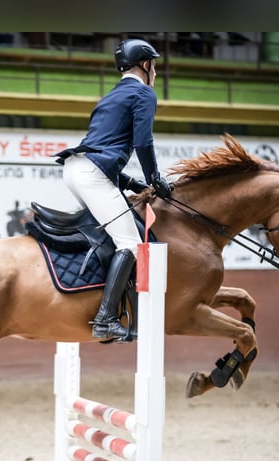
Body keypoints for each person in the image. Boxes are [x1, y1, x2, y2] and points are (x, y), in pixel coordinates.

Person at [55, 37, 173, 342]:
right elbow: (142, 143)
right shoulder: (143, 93)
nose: (156, 72)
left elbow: (101, 148)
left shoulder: (112, 95)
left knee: (116, 233)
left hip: (75, 169)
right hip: (91, 174)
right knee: (131, 244)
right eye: (154, 65)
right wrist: (155, 178)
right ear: (146, 65)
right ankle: (105, 319)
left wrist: (132, 183)